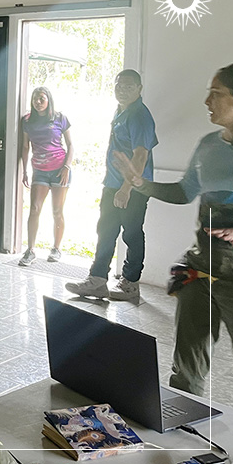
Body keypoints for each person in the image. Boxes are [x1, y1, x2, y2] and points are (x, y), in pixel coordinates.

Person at [112, 63, 233, 412]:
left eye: (217, 93)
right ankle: (184, 435)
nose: (207, 100)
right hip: (200, 268)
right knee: (186, 370)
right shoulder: (208, 145)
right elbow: (184, 191)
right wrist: (139, 183)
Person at [67, 69, 157, 301]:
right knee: (105, 231)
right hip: (113, 184)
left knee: (132, 234)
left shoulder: (140, 116)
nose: (122, 90)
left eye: (129, 86)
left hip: (133, 189)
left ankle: (130, 284)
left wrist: (125, 189)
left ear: (139, 89)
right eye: (119, 85)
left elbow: (140, 157)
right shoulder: (121, 111)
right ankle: (97, 281)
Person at [19, 87, 73, 266]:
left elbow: (71, 145)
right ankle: (30, 250)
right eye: (35, 98)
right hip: (39, 170)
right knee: (35, 209)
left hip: (59, 170)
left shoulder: (59, 118)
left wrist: (66, 167)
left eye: (42, 98)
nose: (38, 102)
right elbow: (25, 147)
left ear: (48, 100)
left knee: (57, 211)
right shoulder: (27, 120)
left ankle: (56, 249)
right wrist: (25, 170)